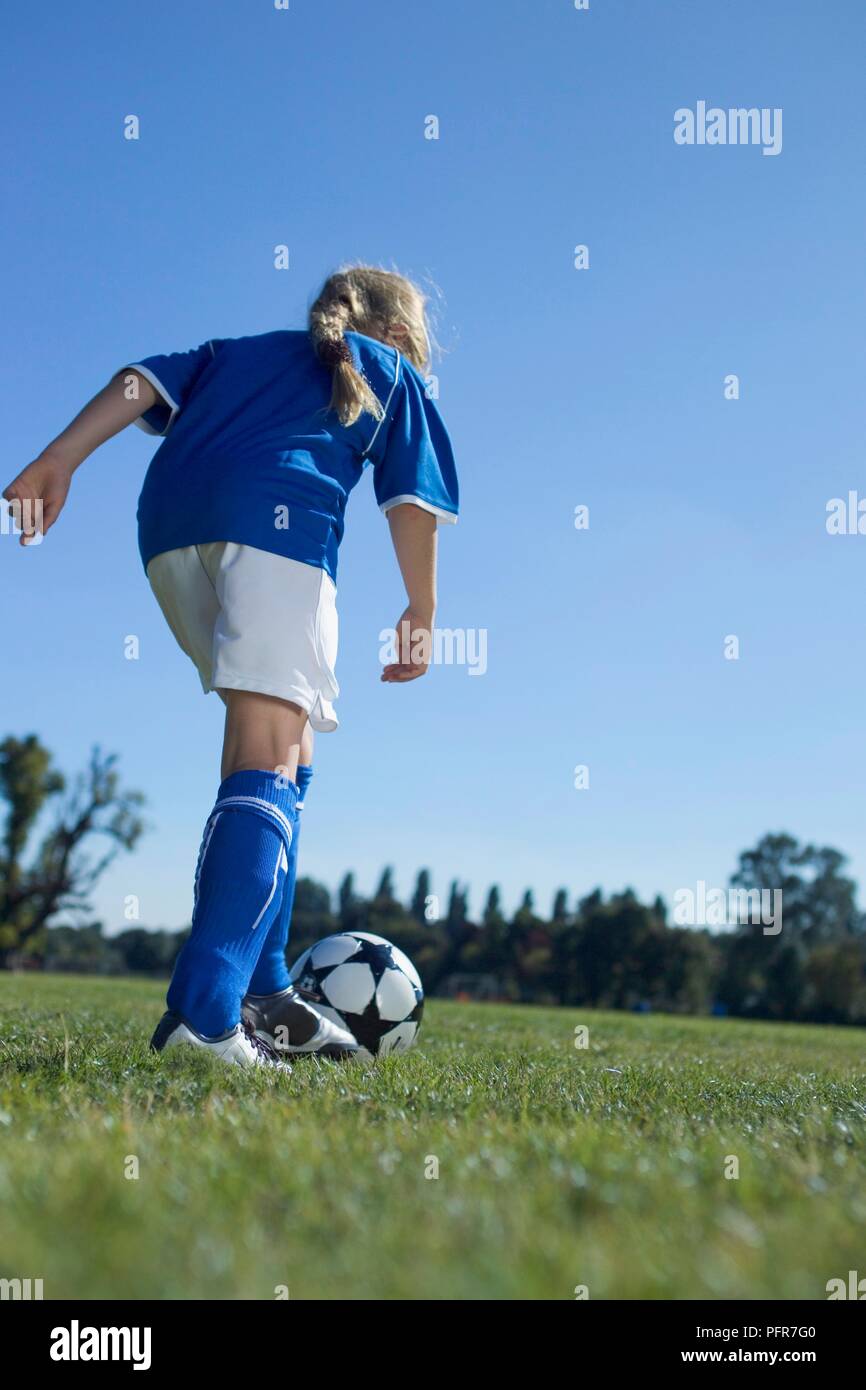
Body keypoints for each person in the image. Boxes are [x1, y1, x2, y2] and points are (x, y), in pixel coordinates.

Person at [2, 265, 459, 1069]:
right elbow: (413, 505)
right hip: (275, 530)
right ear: (400, 334)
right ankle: (205, 1015)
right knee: (268, 754)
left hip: (170, 532)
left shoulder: (238, 351)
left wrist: (59, 458)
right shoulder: (388, 371)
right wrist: (421, 612)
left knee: (284, 750)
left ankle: (266, 990)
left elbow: (138, 382)